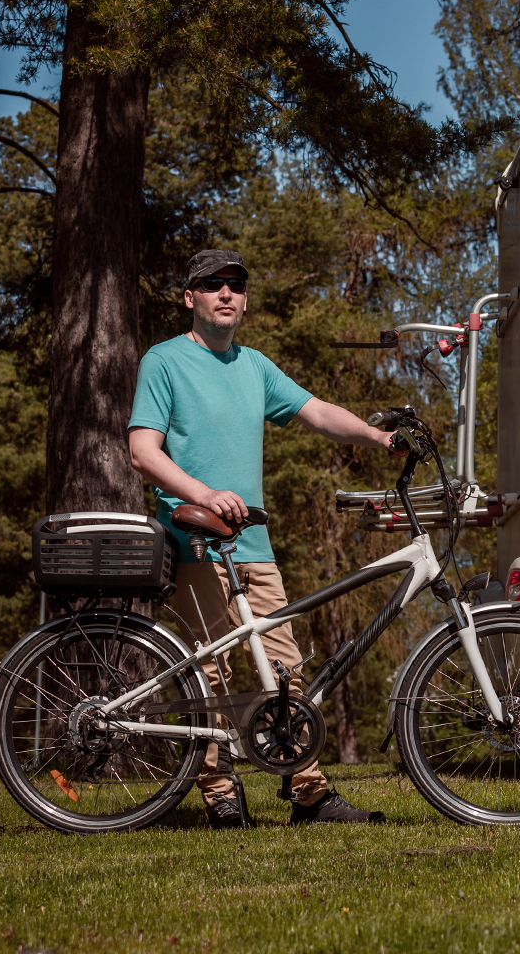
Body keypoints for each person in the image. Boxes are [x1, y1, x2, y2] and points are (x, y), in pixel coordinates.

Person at [128, 249, 394, 829]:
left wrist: (377, 437)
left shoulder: (254, 366)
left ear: (245, 300)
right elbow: (143, 451)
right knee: (213, 674)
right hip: (195, 541)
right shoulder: (165, 362)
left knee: (286, 672)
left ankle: (309, 793)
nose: (226, 293)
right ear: (189, 297)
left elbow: (317, 412)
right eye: (212, 284)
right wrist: (199, 494)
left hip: (251, 545)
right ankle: (221, 793)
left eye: (236, 285)